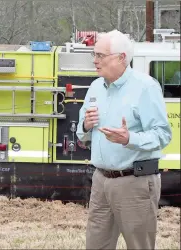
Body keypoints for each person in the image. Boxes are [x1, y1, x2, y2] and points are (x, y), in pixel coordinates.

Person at [76, 30, 172, 250]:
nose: (95, 60)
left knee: (139, 245)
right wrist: (86, 126)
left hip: (134, 182)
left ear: (121, 58)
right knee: (96, 244)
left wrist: (130, 138)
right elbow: (82, 132)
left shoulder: (145, 88)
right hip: (100, 181)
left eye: (101, 55)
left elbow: (163, 135)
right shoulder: (95, 87)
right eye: (94, 54)